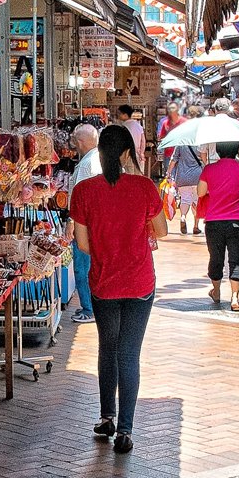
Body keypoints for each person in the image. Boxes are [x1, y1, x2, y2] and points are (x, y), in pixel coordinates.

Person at [70, 124, 167, 454]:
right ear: (128, 152)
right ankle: (125, 429)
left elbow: (82, 244)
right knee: (129, 352)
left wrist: (108, 249)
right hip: (140, 281)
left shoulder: (84, 190)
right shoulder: (144, 187)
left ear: (98, 151)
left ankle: (106, 417)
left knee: (107, 348)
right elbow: (163, 232)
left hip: (103, 282)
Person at [198, 141, 239, 311]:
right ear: (236, 149)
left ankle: (216, 291)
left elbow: (201, 192)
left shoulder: (209, 169)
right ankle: (235, 298)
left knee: (216, 258)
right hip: (238, 222)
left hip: (214, 222)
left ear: (218, 150)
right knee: (236, 260)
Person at [67, 123, 103, 325]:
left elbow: (81, 197)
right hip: (93, 222)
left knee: (82, 267)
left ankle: (89, 308)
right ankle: (91, 306)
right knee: (89, 266)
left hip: (86, 224)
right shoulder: (97, 158)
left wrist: (72, 221)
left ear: (80, 142)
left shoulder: (89, 163)